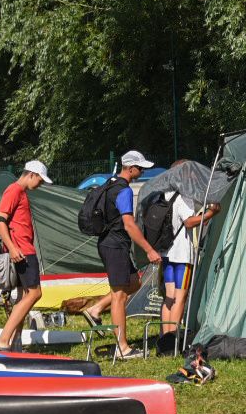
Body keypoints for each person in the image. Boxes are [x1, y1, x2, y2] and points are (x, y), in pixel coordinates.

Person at [83, 150, 162, 360]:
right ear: (131, 168)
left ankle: (96, 308)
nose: (143, 170)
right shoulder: (124, 191)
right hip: (115, 245)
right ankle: (122, 347)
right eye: (141, 167)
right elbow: (128, 224)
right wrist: (149, 249)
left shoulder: (110, 184)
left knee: (133, 283)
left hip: (112, 243)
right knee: (119, 296)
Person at [0, 160, 53, 353]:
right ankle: (2, 340)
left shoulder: (20, 192)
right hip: (23, 251)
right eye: (40, 180)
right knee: (35, 293)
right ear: (31, 174)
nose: (40, 184)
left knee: (23, 296)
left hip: (22, 249)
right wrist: (12, 248)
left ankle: (15, 344)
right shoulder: (14, 190)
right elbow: (0, 220)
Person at [161, 188, 219, 352]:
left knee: (169, 297)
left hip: (165, 252)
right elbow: (189, 222)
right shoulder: (184, 197)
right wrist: (211, 213)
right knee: (180, 297)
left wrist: (204, 217)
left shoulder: (164, 195)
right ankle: (172, 343)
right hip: (181, 255)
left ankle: (165, 339)